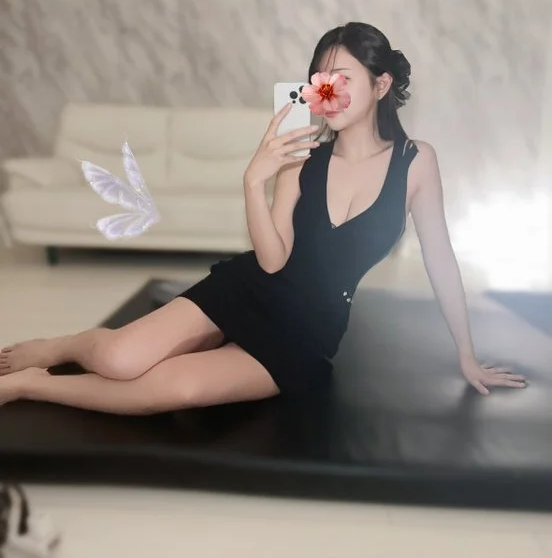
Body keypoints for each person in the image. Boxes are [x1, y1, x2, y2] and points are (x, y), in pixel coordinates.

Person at [0, 22, 526, 413]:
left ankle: (31, 385)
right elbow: (273, 261)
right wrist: (254, 180)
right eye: (321, 81)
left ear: (381, 85)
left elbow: (440, 259)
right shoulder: (300, 157)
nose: (329, 94)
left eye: (343, 79)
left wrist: (467, 354)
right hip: (249, 288)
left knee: (172, 389)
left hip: (307, 332)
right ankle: (63, 345)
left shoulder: (416, 161)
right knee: (120, 359)